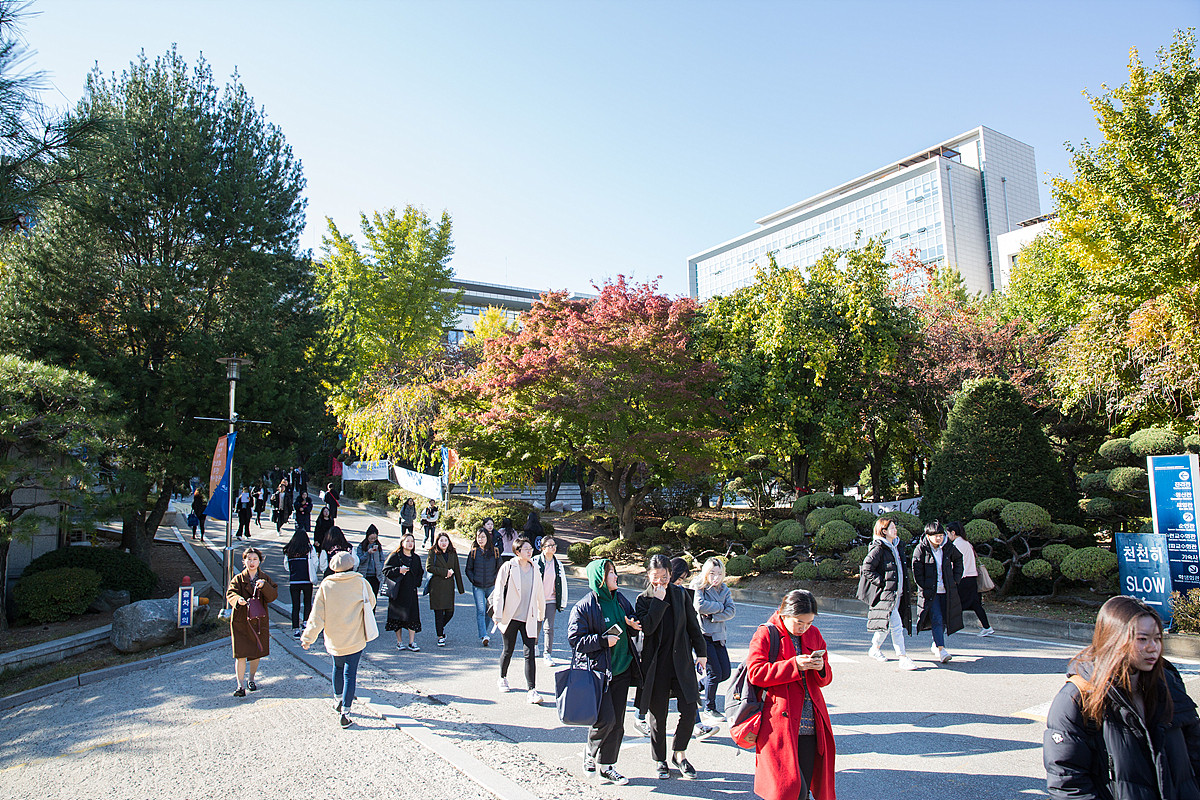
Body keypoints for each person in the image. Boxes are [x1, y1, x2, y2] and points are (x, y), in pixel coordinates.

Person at [1044, 595, 1200, 800]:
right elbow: (1068, 784)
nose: (1153, 647)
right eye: (1142, 639)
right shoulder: (1077, 698)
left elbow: (1195, 751)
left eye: (1157, 638)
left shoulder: (1169, 683)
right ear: (1114, 640)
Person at [746, 589, 836, 800]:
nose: (804, 628)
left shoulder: (814, 634)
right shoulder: (767, 633)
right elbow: (756, 673)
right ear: (784, 614)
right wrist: (794, 665)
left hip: (811, 724)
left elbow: (825, 679)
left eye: (809, 623)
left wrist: (820, 667)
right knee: (789, 790)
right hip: (778, 723)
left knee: (804, 791)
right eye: (799, 622)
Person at [567, 558, 643, 786]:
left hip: (622, 669)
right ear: (599, 579)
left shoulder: (620, 599)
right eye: (611, 573)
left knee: (618, 722)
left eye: (615, 572)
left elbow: (631, 619)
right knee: (605, 718)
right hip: (600, 672)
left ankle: (608, 766)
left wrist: (632, 625)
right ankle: (590, 752)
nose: (616, 576)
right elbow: (575, 639)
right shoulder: (585, 606)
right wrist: (601, 641)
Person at [635, 553, 708, 780]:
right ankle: (660, 760)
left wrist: (702, 653)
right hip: (656, 665)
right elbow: (646, 629)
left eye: (664, 577)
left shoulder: (680, 594)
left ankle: (680, 753)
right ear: (648, 575)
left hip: (681, 662)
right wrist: (657, 600)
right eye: (655, 577)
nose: (660, 582)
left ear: (670, 575)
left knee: (689, 709)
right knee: (658, 716)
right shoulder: (643, 599)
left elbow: (693, 626)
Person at [301, 551, 378, 729]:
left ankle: (337, 700)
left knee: (337, 667)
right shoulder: (360, 582)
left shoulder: (326, 585)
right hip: (355, 635)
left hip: (334, 636)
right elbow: (371, 602)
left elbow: (317, 615)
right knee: (350, 674)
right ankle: (346, 711)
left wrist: (308, 638)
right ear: (353, 564)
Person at [492, 536, 546, 704]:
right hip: (511, 615)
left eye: (531, 549)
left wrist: (540, 612)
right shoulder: (508, 567)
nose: (530, 552)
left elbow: (539, 592)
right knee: (508, 650)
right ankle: (502, 677)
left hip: (528, 616)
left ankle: (532, 689)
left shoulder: (535, 568)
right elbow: (499, 590)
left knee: (529, 652)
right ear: (517, 552)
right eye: (526, 549)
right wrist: (498, 613)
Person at [859, 517, 917, 670]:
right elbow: (866, 569)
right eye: (892, 528)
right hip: (887, 594)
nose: (895, 530)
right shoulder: (878, 547)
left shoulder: (895, 546)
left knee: (885, 626)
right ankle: (903, 657)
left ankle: (875, 648)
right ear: (884, 531)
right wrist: (882, 583)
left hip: (897, 592)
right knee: (896, 625)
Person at [226, 547, 278, 697]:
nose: (252, 562)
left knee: (256, 653)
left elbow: (273, 596)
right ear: (244, 561)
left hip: (258, 622)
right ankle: (239, 685)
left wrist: (265, 586)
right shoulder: (238, 579)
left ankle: (251, 679)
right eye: (249, 559)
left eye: (255, 559)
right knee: (240, 654)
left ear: (259, 561)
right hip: (241, 620)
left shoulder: (265, 578)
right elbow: (231, 593)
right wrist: (238, 600)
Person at [912, 520, 963, 664]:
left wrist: (955, 579)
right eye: (935, 535)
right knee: (937, 618)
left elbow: (959, 560)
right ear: (928, 535)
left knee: (946, 618)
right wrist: (924, 587)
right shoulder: (921, 549)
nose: (939, 538)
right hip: (931, 592)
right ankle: (941, 649)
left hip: (946, 590)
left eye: (941, 535)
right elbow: (917, 571)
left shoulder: (947, 547)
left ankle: (936, 643)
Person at [693, 557, 736, 722]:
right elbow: (699, 606)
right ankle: (709, 708)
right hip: (703, 636)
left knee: (725, 672)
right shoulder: (699, 586)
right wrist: (720, 607)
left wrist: (712, 615)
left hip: (719, 635)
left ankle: (696, 687)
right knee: (714, 672)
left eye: (719, 573)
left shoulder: (724, 589)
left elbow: (731, 611)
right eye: (712, 573)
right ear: (705, 573)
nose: (716, 577)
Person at [946, 521, 994, 636]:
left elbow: (954, 563)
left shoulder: (956, 545)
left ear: (953, 533)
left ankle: (948, 625)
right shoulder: (967, 543)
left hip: (963, 577)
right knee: (975, 604)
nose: (947, 536)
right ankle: (986, 626)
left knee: (956, 603)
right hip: (972, 577)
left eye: (947, 533)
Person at [383, 532, 423, 650]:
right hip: (398, 591)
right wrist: (398, 570)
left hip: (411, 591)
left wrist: (417, 583)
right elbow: (386, 570)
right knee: (398, 617)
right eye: (408, 541)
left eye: (412, 541)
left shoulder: (416, 558)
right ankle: (399, 642)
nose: (410, 543)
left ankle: (412, 642)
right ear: (402, 543)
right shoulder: (395, 556)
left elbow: (420, 572)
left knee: (413, 616)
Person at [427, 531, 465, 647]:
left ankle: (440, 627)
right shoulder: (433, 552)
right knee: (438, 612)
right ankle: (440, 635)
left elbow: (457, 569)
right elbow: (429, 567)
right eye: (441, 541)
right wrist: (445, 572)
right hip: (437, 586)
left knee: (450, 612)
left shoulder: (452, 553)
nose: (443, 543)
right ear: (437, 542)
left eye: (445, 540)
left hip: (449, 586)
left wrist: (460, 588)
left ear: (449, 542)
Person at [534, 535, 568, 664]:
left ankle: (547, 653)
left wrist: (562, 601)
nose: (553, 547)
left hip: (551, 599)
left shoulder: (558, 564)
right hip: (538, 599)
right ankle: (535, 644)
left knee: (549, 628)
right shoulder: (536, 562)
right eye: (549, 545)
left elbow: (562, 583)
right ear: (542, 548)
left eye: (554, 545)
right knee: (537, 625)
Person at [465, 527, 501, 646]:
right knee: (480, 610)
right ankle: (484, 635)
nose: (480, 539)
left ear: (487, 538)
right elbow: (468, 569)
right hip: (478, 586)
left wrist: (496, 581)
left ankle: (484, 632)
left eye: (483, 537)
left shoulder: (495, 552)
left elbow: (500, 568)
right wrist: (474, 580)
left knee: (489, 611)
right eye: (478, 537)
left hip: (491, 586)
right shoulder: (474, 552)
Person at [283, 529, 319, 638]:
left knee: (296, 605)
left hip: (294, 580)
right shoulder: (309, 549)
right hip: (307, 580)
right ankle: (305, 623)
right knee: (307, 602)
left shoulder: (289, 550)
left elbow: (286, 566)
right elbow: (315, 562)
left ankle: (295, 628)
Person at [356, 526, 385, 595]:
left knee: (374, 597)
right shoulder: (361, 546)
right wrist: (367, 553)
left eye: (375, 538)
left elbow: (382, 559)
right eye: (371, 538)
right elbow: (359, 560)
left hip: (376, 576)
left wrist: (379, 567)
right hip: (365, 575)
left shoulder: (378, 546)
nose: (373, 540)